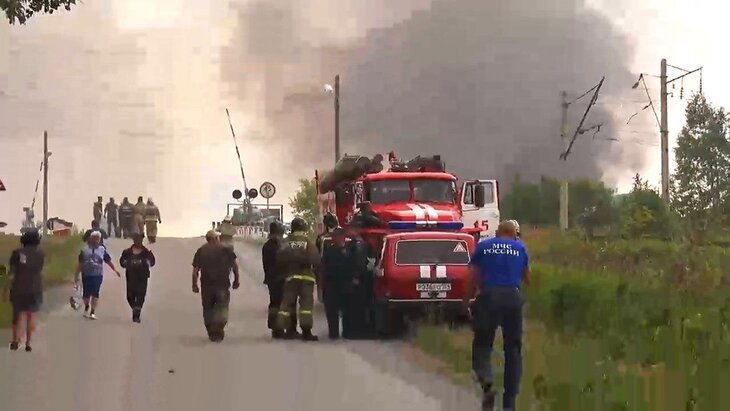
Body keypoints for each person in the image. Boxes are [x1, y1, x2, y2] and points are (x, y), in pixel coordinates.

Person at [466, 220, 531, 411]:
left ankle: (486, 380)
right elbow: (527, 279)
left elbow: (472, 276)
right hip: (513, 298)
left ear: (497, 232)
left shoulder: (483, 246)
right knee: (513, 351)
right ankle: (509, 403)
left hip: (489, 297)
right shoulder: (520, 248)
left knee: (482, 344)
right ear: (515, 234)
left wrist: (467, 300)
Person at [275, 217, 319, 341]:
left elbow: (279, 259)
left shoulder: (285, 242)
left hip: (290, 277)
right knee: (306, 306)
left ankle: (280, 329)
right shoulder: (308, 242)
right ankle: (306, 332)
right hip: (307, 278)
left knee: (286, 305)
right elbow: (315, 259)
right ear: (304, 228)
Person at [192, 230, 240, 342]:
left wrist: (194, 284)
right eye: (218, 237)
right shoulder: (226, 250)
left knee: (207, 309)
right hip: (222, 285)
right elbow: (235, 266)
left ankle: (211, 331)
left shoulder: (201, 251)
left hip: (206, 287)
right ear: (215, 239)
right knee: (222, 308)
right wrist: (236, 280)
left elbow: (195, 271)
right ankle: (218, 329)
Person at [2, 230, 44, 352]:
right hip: (35, 288)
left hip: (19, 288)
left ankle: (15, 340)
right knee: (30, 314)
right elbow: (39, 270)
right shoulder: (40, 254)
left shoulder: (16, 253)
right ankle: (28, 343)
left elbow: (11, 274)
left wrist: (5, 289)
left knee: (17, 314)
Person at [261, 221, 298, 339]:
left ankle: (276, 329)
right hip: (282, 278)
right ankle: (290, 329)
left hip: (272, 279)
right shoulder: (280, 246)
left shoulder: (266, 246)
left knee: (275, 303)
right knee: (288, 303)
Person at [75, 231, 121, 319]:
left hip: (97, 275)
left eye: (97, 239)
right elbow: (80, 263)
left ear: (99, 240)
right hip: (86, 274)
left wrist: (115, 270)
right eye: (94, 239)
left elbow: (108, 261)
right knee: (86, 294)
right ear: (90, 239)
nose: (95, 241)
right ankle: (87, 305)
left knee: (95, 292)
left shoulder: (102, 250)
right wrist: (76, 275)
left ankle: (92, 312)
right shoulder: (84, 250)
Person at [320, 227, 356, 340]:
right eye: (333, 237)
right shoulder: (329, 252)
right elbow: (323, 268)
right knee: (332, 311)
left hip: (345, 284)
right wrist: (322, 285)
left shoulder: (349, 251)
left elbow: (353, 266)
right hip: (331, 285)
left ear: (343, 237)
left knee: (347, 310)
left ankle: (347, 332)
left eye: (336, 237)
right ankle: (333, 333)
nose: (334, 239)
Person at [119, 233, 156, 323]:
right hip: (131, 277)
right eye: (137, 239)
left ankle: (136, 315)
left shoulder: (146, 252)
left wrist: (145, 262)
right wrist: (129, 263)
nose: (139, 241)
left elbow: (152, 263)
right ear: (134, 240)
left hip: (142, 277)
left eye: (140, 240)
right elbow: (122, 263)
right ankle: (134, 309)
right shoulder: (127, 252)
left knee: (140, 295)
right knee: (130, 296)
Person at [344, 226, 372, 338]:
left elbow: (359, 262)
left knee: (357, 305)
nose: (348, 232)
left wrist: (356, 276)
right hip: (359, 279)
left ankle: (357, 330)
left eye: (350, 229)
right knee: (356, 305)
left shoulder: (358, 244)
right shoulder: (357, 243)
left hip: (358, 280)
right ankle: (356, 329)